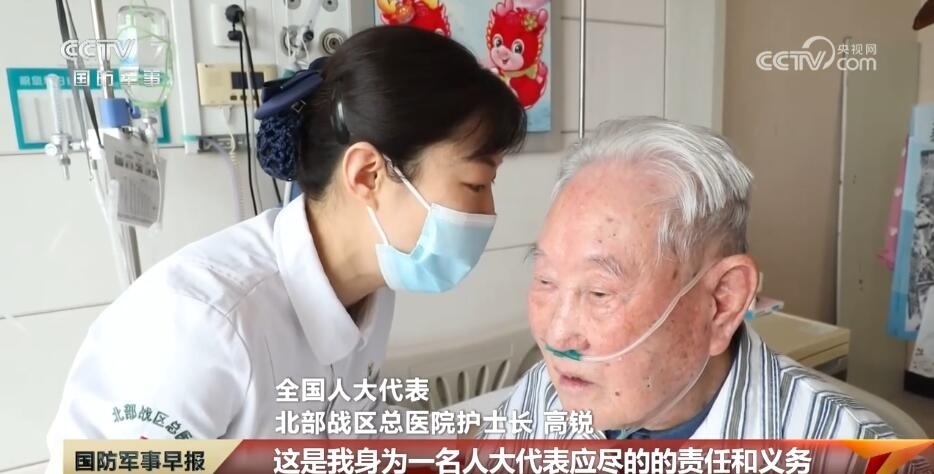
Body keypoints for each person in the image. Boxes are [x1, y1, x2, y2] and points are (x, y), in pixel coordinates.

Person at [45, 25, 526, 468]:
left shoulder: (367, 291)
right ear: (367, 175)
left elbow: (349, 427)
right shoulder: (203, 323)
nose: (487, 212)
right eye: (476, 183)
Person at [477, 117, 929, 472]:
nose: (557, 335)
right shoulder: (546, 393)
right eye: (545, 280)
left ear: (722, 303)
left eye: (599, 292)